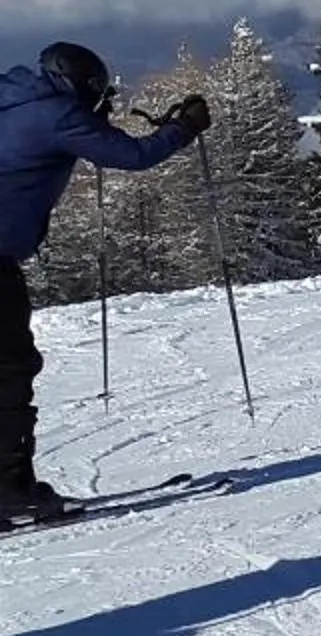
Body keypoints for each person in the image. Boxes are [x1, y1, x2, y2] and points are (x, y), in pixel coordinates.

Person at [0, 43, 210, 521]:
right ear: (81, 82)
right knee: (9, 371)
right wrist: (184, 127)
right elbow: (132, 155)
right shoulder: (58, 115)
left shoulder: (14, 100)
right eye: (97, 89)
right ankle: (9, 493)